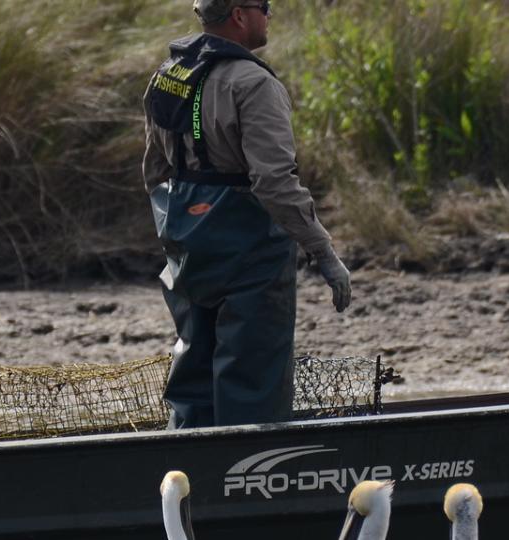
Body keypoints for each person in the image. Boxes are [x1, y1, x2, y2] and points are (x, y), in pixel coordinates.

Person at [142, 0, 353, 428]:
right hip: (251, 253)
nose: (269, 15)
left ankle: (186, 477)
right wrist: (324, 253)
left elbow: (154, 168)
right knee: (254, 384)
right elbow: (274, 182)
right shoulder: (255, 84)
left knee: (192, 374)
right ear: (239, 15)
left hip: (186, 243)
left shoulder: (169, 75)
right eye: (264, 6)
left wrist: (177, 229)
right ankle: (249, 481)